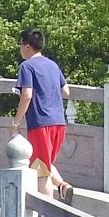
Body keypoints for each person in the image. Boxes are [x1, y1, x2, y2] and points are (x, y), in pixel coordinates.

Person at [12, 28, 68, 201]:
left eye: (21, 45)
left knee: (40, 169)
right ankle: (63, 186)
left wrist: (16, 122)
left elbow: (26, 95)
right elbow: (66, 91)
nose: (20, 48)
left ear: (27, 46)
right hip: (59, 122)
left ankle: (49, 212)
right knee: (45, 161)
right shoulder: (52, 65)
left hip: (40, 122)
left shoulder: (26, 67)